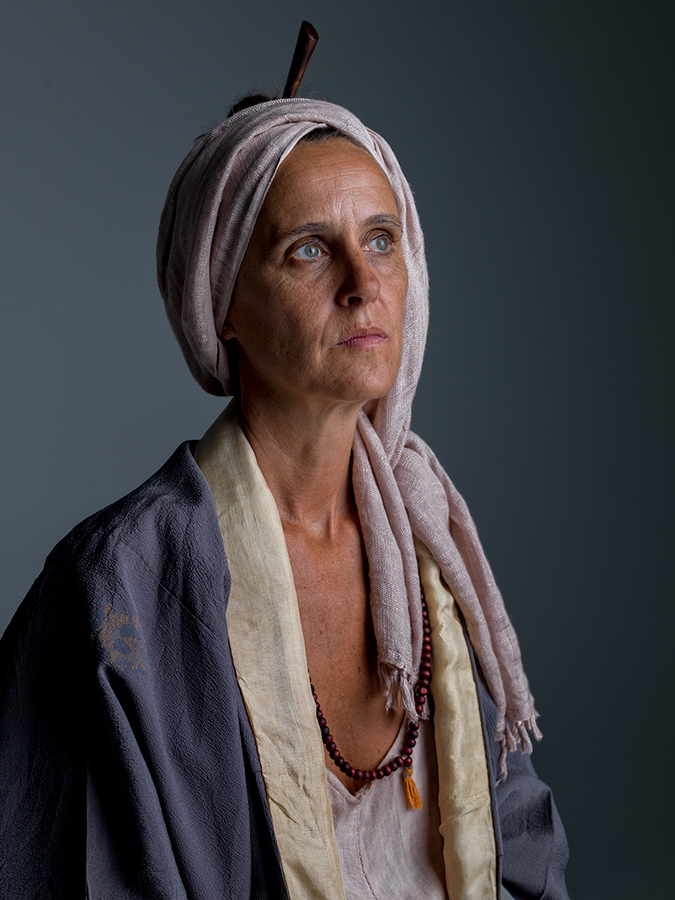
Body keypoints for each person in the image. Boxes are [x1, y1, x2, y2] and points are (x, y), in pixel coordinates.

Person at [0, 96, 570, 899]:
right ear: (223, 303)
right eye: (308, 250)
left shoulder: (431, 551)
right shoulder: (118, 584)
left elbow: (519, 843)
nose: (362, 284)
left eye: (381, 239)